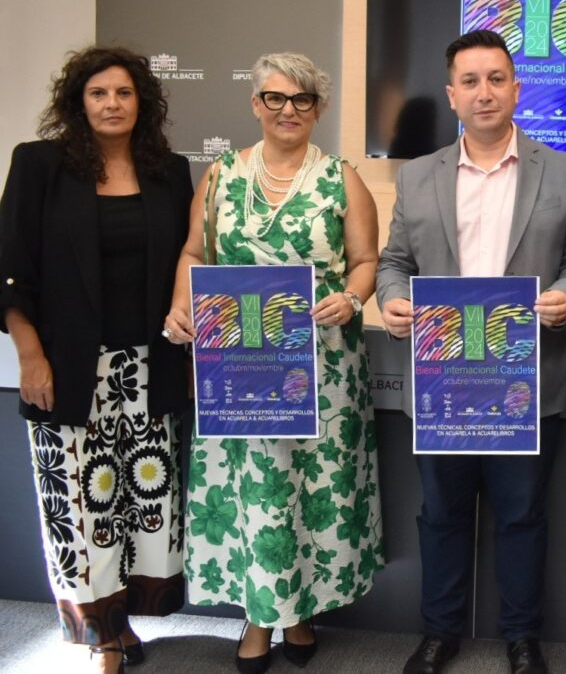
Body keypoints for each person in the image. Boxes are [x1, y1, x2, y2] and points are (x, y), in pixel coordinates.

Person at [377, 29, 566, 674]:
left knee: (522, 515)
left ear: (516, 89)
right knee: (442, 514)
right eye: (470, 81)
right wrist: (392, 300)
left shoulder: (562, 171)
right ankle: (439, 632)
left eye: (496, 79)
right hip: (441, 381)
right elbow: (394, 263)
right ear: (452, 95)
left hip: (526, 378)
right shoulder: (417, 175)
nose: (484, 92)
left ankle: (522, 638)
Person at [164, 53, 383, 674]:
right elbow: (193, 251)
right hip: (239, 366)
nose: (289, 110)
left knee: (310, 494)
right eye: (276, 98)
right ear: (255, 104)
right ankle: (261, 619)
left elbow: (366, 261)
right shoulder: (220, 176)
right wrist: (181, 306)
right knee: (255, 493)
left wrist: (352, 298)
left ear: (319, 108)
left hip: (322, 369)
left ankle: (300, 612)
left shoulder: (342, 178)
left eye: (303, 99)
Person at [0, 46, 193, 673]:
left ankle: (123, 621)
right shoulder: (40, 165)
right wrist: (30, 354)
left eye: (124, 93)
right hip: (69, 369)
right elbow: (11, 268)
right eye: (99, 93)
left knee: (142, 504)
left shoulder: (169, 171)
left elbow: (188, 262)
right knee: (83, 510)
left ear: (143, 102)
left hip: (150, 370)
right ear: (78, 102)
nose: (113, 104)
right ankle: (102, 639)